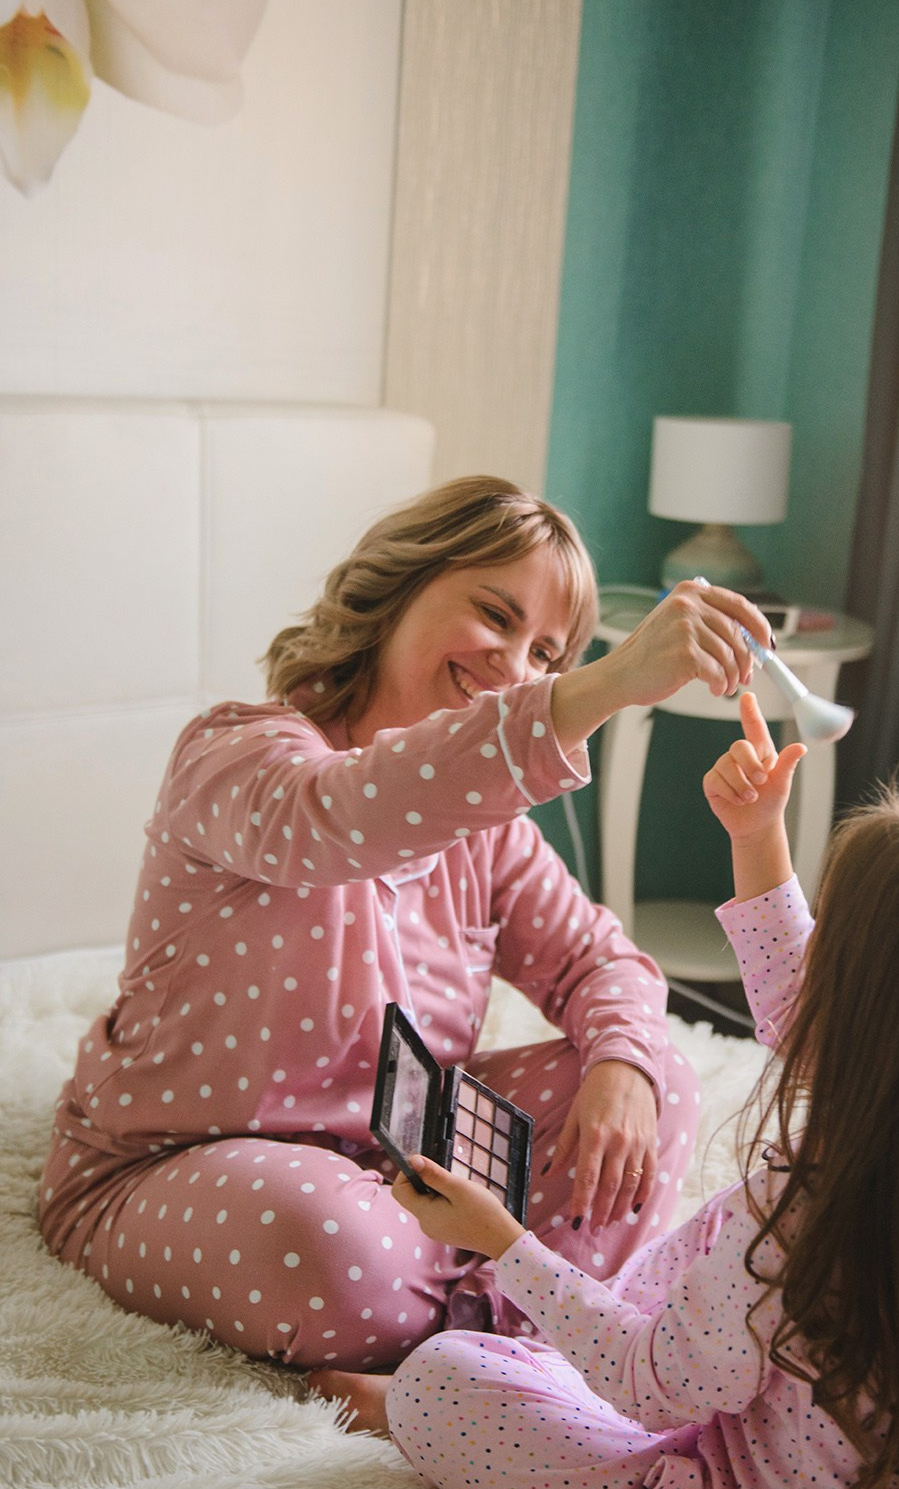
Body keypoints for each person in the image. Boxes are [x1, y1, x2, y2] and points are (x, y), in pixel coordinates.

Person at [319, 691, 899, 1489]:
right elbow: (812, 1021)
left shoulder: (800, 1225)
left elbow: (654, 1386)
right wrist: (757, 838)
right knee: (700, 1252)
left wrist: (504, 1246)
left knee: (441, 1382)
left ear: (860, 1028)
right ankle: (552, 1364)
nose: (806, 994)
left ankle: (430, 1397)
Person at [38, 477, 775, 1372]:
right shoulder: (234, 754)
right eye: (494, 616)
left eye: (547, 653)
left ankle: (497, 1355)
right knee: (326, 1243)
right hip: (176, 1162)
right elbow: (341, 818)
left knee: (654, 1079)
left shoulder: (488, 828)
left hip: (408, 1160)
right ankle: (513, 1338)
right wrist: (610, 683)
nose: (516, 667)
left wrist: (622, 1065)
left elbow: (598, 959)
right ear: (395, 595)